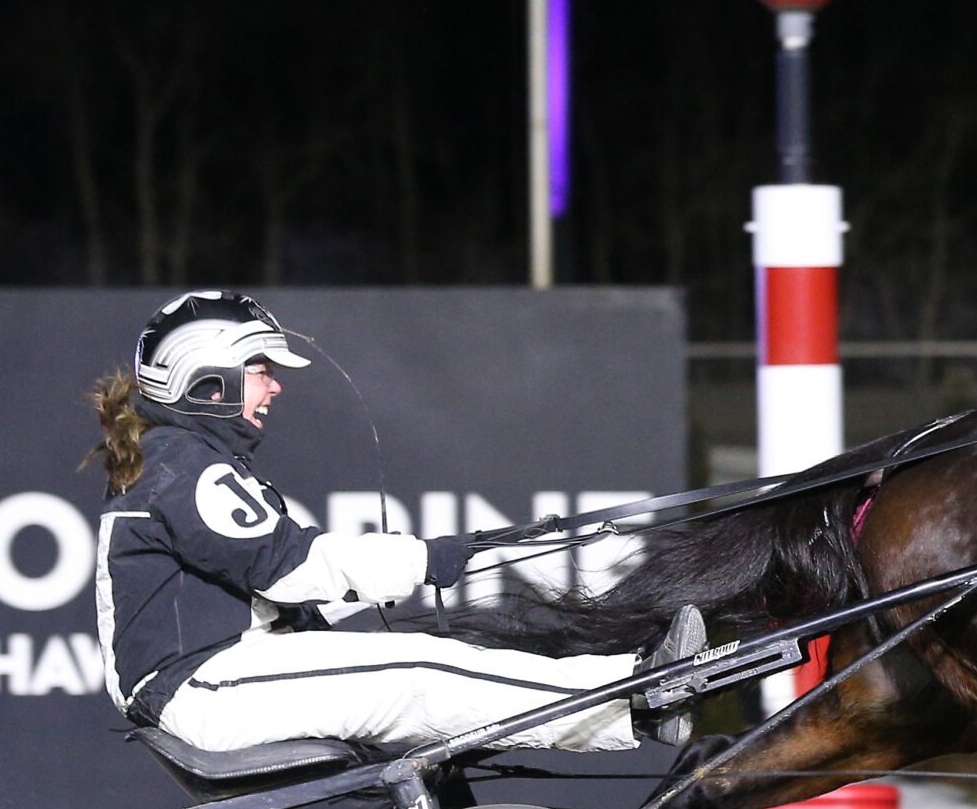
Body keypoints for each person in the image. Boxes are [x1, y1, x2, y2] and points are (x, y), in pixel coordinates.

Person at [87, 291, 699, 759]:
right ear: (207, 378)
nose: (274, 386)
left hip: (209, 677)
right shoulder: (180, 463)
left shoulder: (180, 459)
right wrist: (422, 560)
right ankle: (635, 693)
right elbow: (289, 569)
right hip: (198, 690)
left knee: (426, 657)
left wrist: (418, 573)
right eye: (259, 369)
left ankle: (630, 696)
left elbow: (278, 597)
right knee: (420, 675)